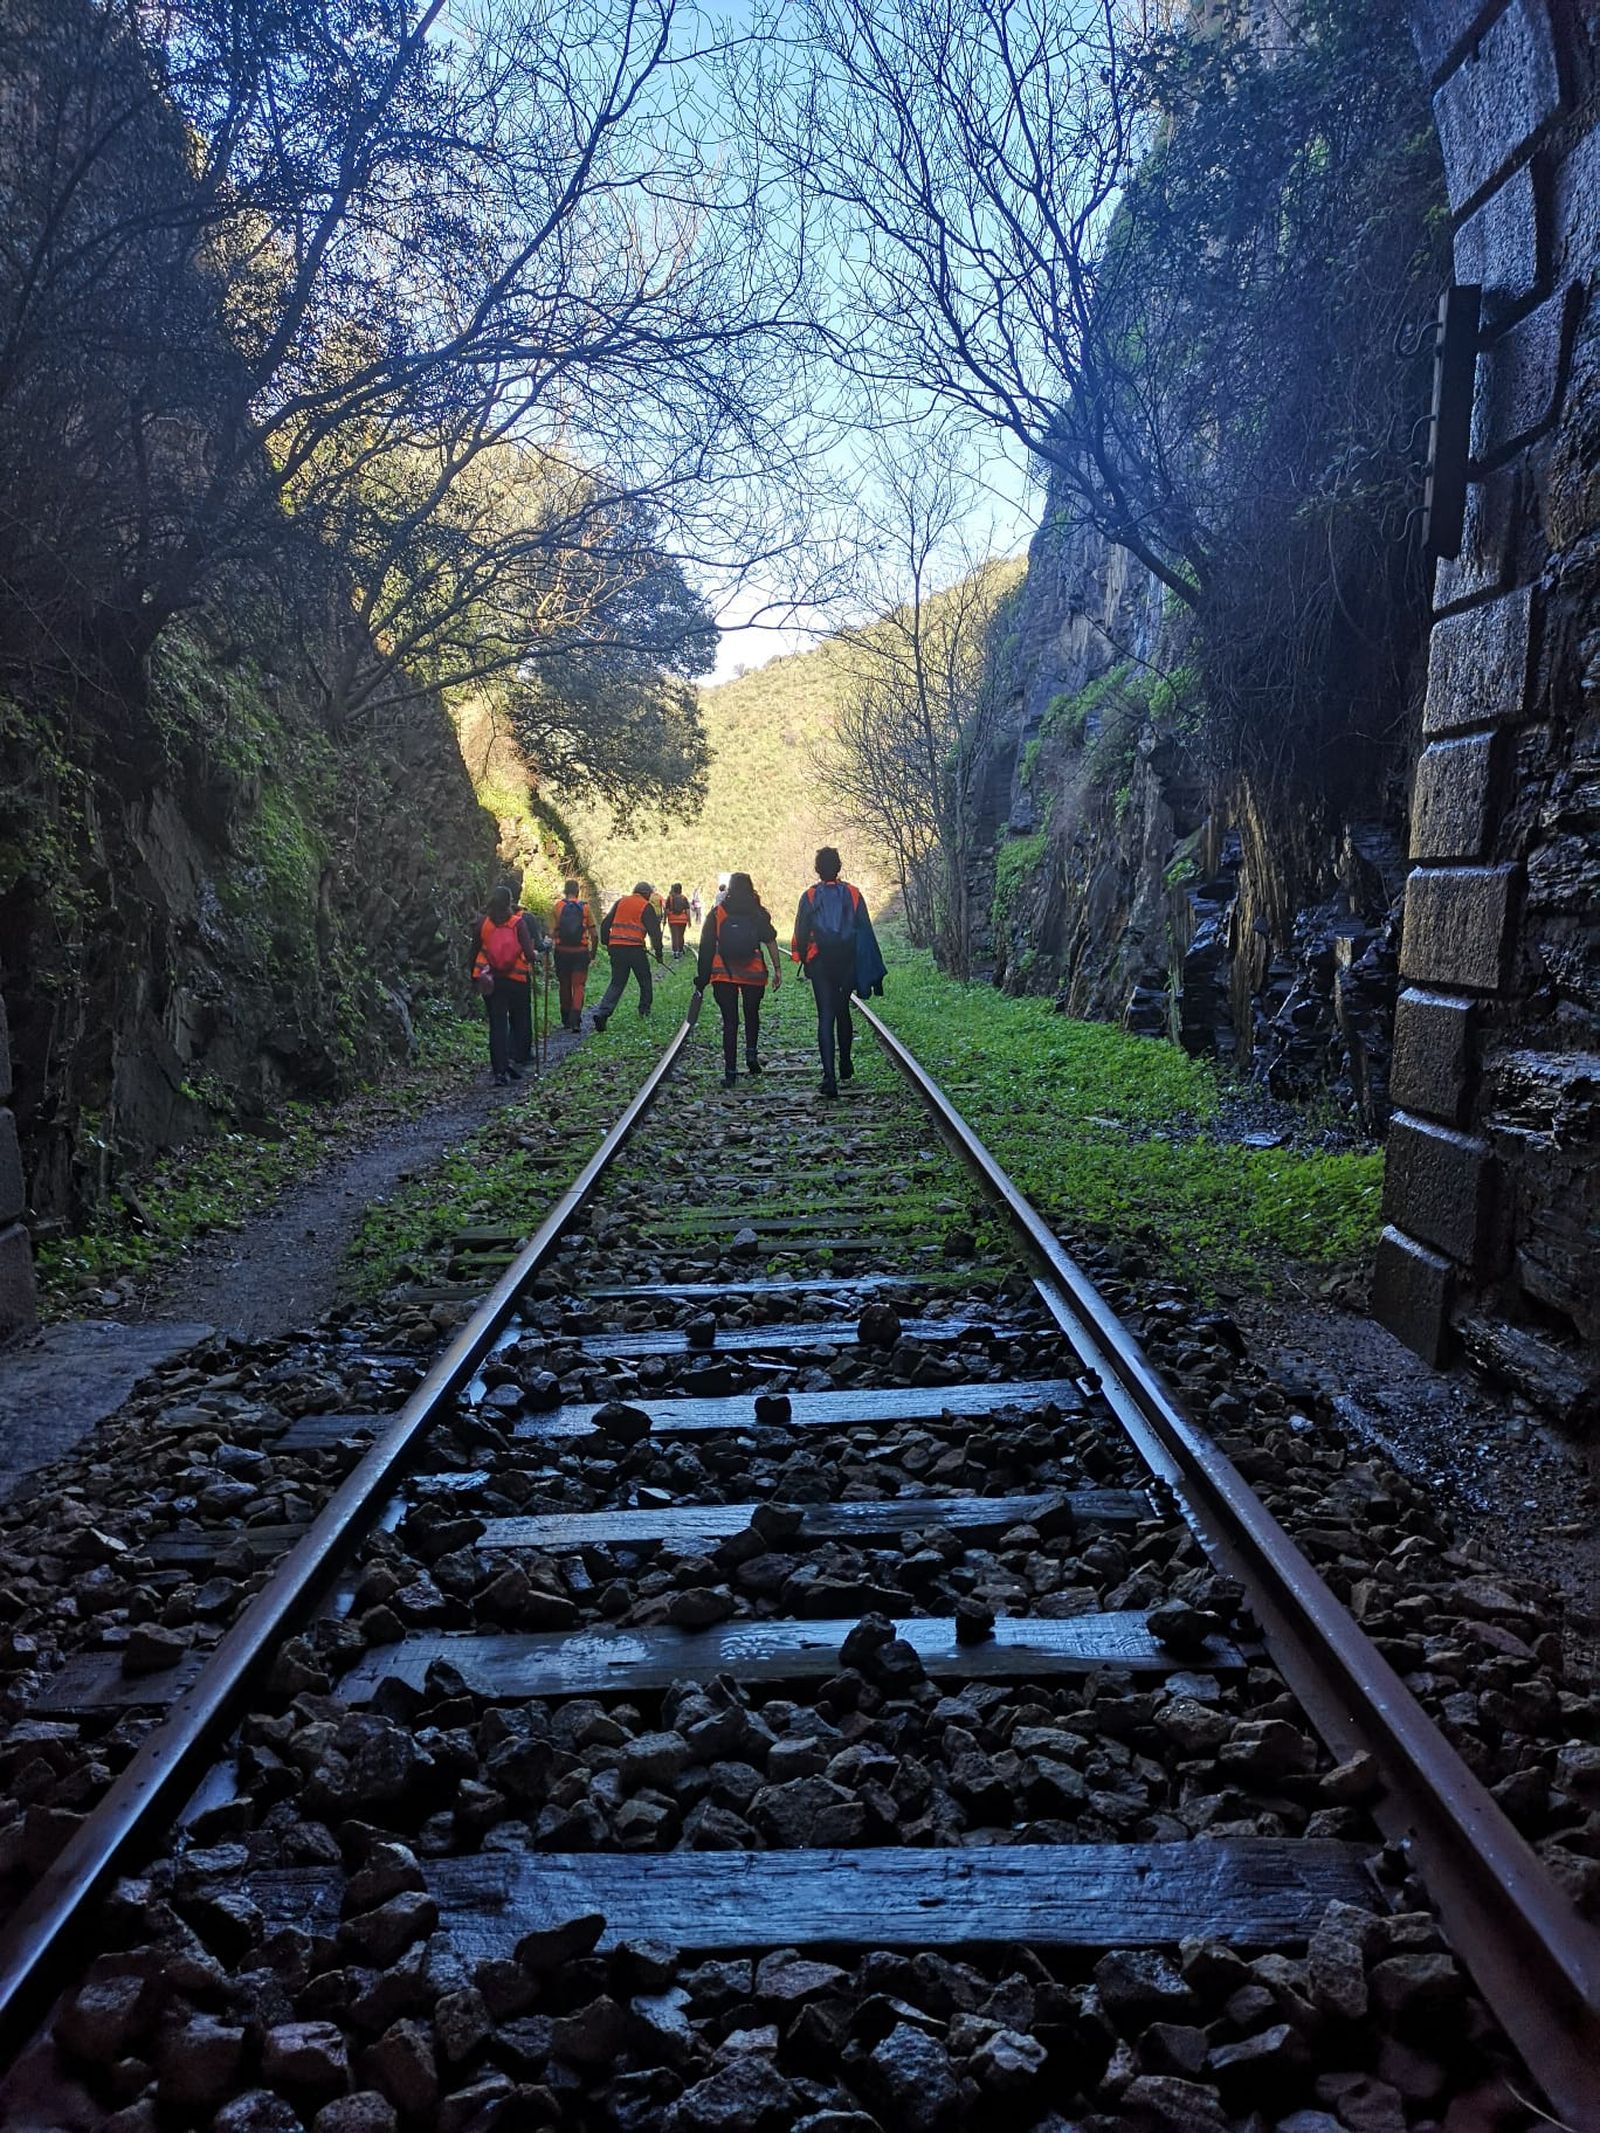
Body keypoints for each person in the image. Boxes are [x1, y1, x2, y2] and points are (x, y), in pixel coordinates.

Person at [792, 845, 884, 1098]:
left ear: (817, 869)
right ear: (839, 867)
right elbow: (865, 930)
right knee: (843, 1010)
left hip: (820, 961)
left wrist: (805, 960)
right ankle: (845, 1061)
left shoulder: (809, 896)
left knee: (825, 1015)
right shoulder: (853, 894)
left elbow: (801, 931)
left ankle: (829, 1077)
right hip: (847, 961)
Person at [695, 871, 781, 1087]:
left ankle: (730, 1071)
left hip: (723, 974)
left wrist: (703, 978)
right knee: (752, 1014)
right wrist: (777, 969)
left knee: (730, 1022)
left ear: (730, 889)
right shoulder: (757, 912)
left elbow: (706, 948)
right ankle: (751, 1053)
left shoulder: (717, 913)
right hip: (753, 973)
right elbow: (771, 940)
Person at [472, 885, 543, 1083]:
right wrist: (536, 955)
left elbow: (474, 951)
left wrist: (474, 979)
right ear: (509, 902)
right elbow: (529, 954)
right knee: (519, 1020)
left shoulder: (483, 923)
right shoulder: (517, 923)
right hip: (517, 980)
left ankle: (499, 1071)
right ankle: (516, 1059)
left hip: (492, 980)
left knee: (497, 1025)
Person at [593, 881, 664, 1028]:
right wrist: (658, 952)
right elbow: (655, 933)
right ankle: (644, 1011)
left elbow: (605, 924)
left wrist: (607, 942)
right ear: (646, 894)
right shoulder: (645, 906)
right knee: (645, 980)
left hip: (617, 948)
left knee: (617, 982)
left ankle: (602, 1013)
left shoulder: (621, 902)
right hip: (635, 950)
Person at [550, 878, 593, 1033]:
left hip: (562, 951)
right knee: (578, 985)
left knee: (564, 984)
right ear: (578, 892)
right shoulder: (585, 908)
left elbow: (551, 932)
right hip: (580, 952)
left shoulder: (557, 907)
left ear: (565, 891)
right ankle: (575, 1019)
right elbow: (594, 933)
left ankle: (565, 1018)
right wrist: (592, 952)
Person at [664, 882, 692, 960]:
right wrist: (689, 921)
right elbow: (687, 910)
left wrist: (664, 920)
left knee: (674, 936)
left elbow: (666, 910)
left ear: (673, 889)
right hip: (683, 920)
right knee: (681, 935)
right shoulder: (684, 898)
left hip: (672, 920)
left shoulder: (670, 898)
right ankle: (680, 950)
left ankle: (675, 951)